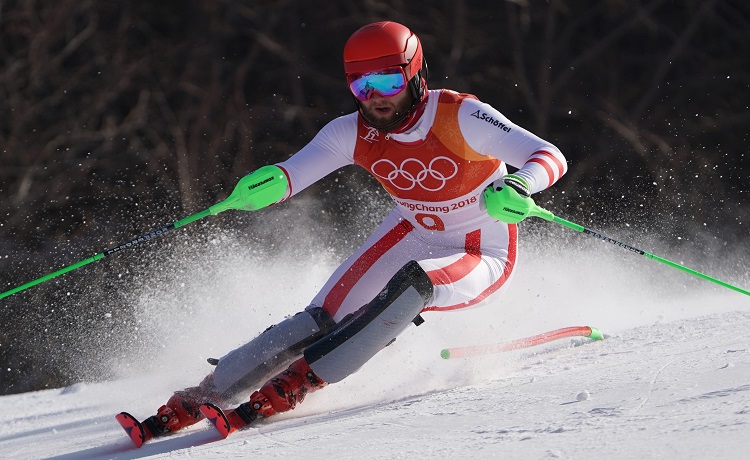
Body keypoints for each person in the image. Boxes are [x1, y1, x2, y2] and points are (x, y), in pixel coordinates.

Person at [130, 20, 567, 442]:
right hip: (412, 231)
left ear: (415, 74)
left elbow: (548, 154)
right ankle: (207, 392)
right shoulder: (350, 132)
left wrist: (520, 183)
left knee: (413, 285)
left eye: (388, 83)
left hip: (481, 249)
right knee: (322, 317)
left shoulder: (461, 114)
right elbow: (293, 173)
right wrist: (264, 187)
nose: (376, 98)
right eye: (362, 86)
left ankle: (301, 380)